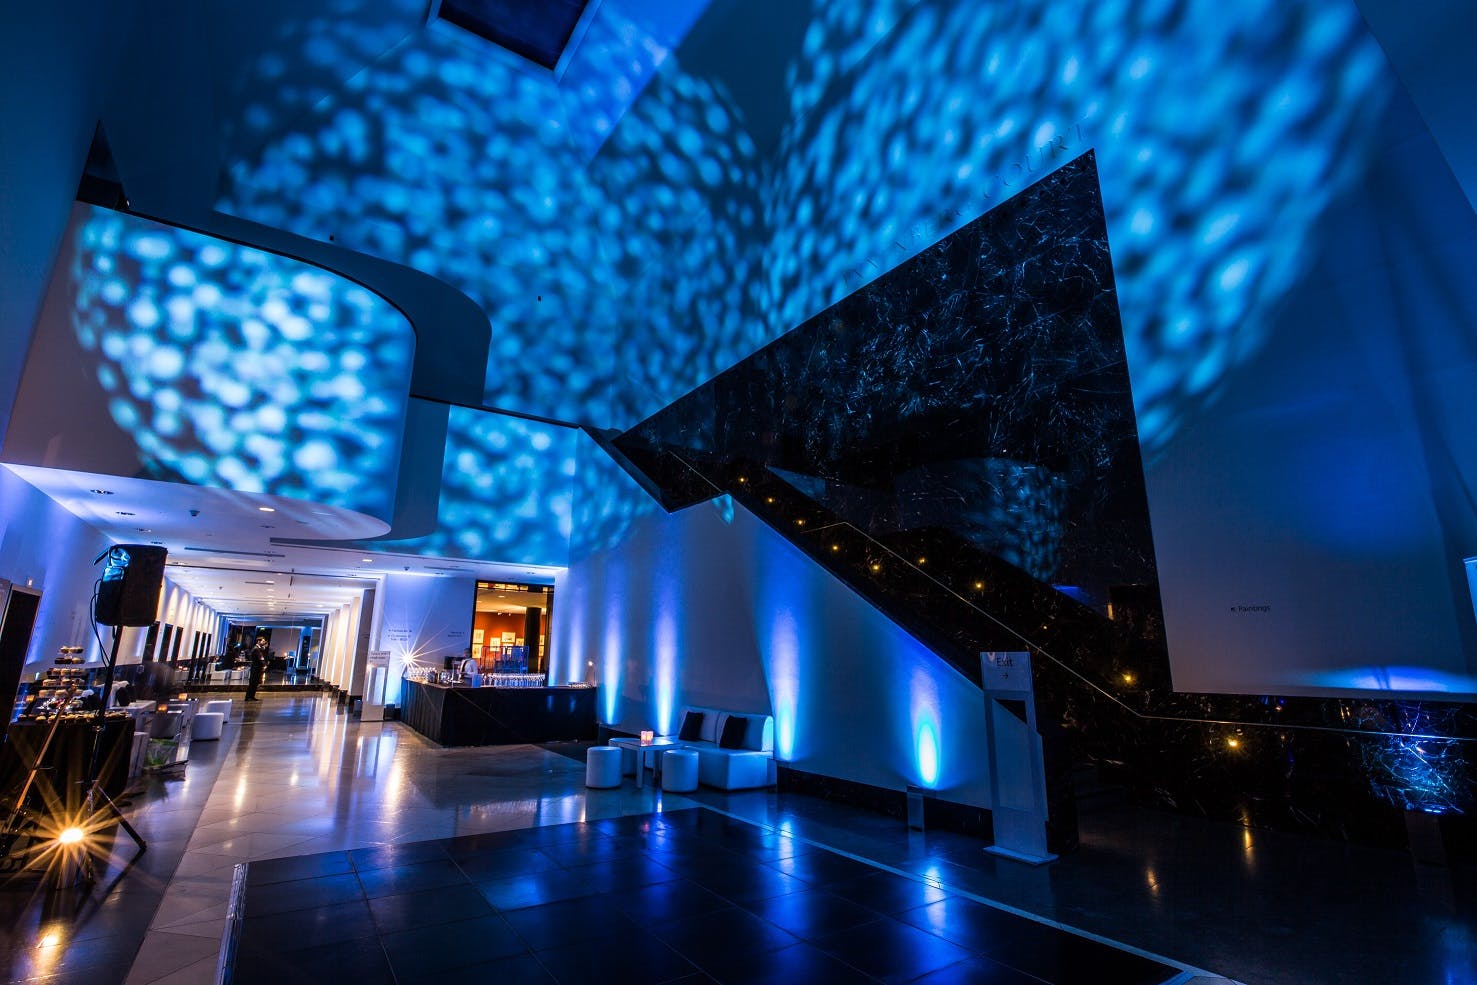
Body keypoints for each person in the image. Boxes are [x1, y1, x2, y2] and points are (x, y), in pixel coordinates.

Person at [244, 636, 268, 701]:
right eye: (262, 641)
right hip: (255, 668)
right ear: (258, 641)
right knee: (252, 683)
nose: (263, 642)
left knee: (255, 683)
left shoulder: (258, 648)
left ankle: (251, 696)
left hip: (257, 668)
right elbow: (260, 658)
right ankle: (248, 697)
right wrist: (264, 665)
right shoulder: (256, 649)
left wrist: (264, 647)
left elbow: (262, 652)